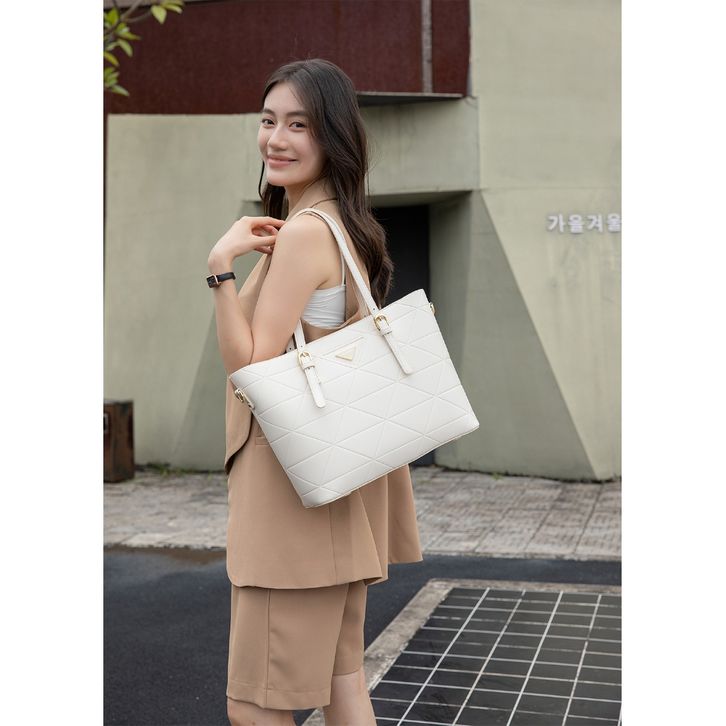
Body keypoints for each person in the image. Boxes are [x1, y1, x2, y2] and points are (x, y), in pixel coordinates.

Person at [207, 58, 423, 726]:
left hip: (292, 498)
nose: (275, 138)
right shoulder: (344, 225)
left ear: (333, 135)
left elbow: (252, 369)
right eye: (268, 120)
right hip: (341, 486)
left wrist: (219, 269)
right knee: (342, 682)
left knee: (254, 707)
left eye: (298, 125)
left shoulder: (304, 232)